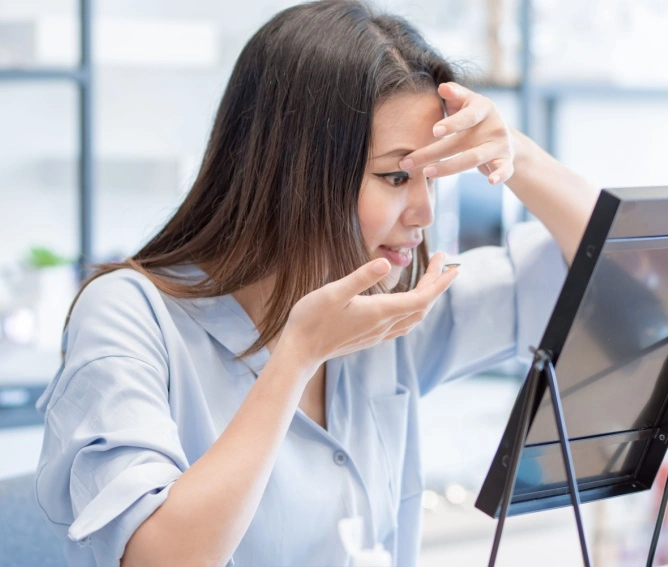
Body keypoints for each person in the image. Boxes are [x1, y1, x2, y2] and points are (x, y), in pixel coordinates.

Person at [34, 1, 597, 566]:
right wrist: (297, 356)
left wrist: (515, 151)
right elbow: (155, 559)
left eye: (432, 177)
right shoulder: (130, 317)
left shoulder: (387, 309)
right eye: (397, 176)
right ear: (294, 171)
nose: (423, 212)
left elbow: (610, 269)